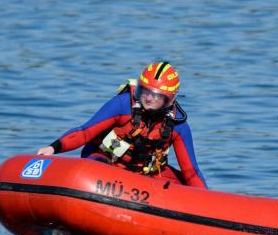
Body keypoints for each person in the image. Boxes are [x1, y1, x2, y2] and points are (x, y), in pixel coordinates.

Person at [37, 62, 207, 188]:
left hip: (145, 174)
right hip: (104, 161)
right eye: (145, 91)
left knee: (184, 185)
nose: (148, 98)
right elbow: (84, 132)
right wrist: (53, 148)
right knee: (96, 169)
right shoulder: (123, 104)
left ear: (170, 99)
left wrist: (208, 201)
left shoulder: (178, 125)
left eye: (156, 95)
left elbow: (191, 170)